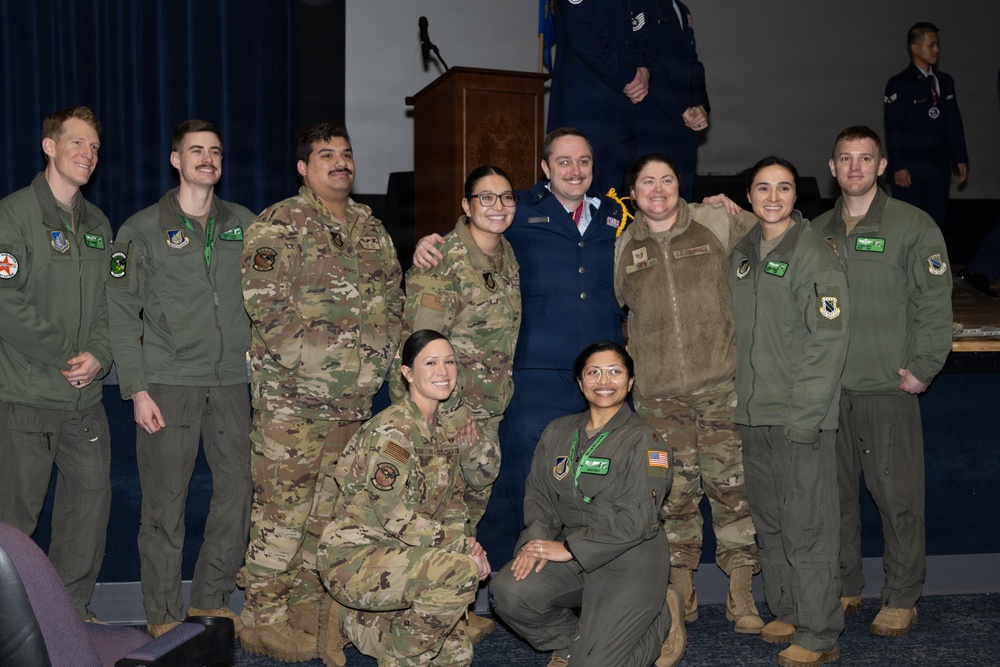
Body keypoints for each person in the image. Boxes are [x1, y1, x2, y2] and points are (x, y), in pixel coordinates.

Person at [413, 128, 625, 563]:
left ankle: (584, 564)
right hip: (536, 371)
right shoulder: (518, 208)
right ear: (545, 167)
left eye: (583, 161)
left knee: (599, 469)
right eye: (563, 161)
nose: (574, 170)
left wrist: (721, 204)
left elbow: (664, 210)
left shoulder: (614, 213)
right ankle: (517, 565)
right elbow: (475, 231)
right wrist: (428, 243)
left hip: (601, 373)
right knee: (526, 473)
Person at [238, 122, 403, 661]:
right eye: (326, 154)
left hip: (352, 406)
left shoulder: (371, 229)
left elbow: (392, 304)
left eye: (346, 153)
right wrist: (314, 367)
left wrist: (375, 366)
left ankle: (304, 606)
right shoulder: (280, 223)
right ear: (303, 167)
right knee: (281, 514)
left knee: (328, 514)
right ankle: (262, 616)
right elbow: (265, 304)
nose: (340, 162)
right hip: (292, 402)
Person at [106, 120, 254, 637]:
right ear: (176, 160)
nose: (207, 159)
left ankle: (212, 599)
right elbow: (120, 313)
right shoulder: (139, 230)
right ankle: (164, 614)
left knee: (237, 493)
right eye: (196, 150)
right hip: (168, 384)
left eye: (215, 151)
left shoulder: (245, 224)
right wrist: (137, 389)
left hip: (233, 383)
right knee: (164, 504)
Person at [814, 126, 952, 639]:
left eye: (865, 158)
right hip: (828, 393)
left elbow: (933, 302)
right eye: (845, 158)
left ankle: (901, 596)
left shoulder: (912, 225)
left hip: (886, 388)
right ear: (832, 167)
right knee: (833, 501)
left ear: (881, 166)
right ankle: (845, 584)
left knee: (898, 499)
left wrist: (925, 365)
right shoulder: (814, 231)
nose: (855, 167)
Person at [615, 154, 762, 633]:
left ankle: (742, 592)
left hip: (720, 386)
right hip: (658, 398)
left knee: (732, 490)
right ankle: (682, 590)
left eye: (667, 179)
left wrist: (740, 209)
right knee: (672, 495)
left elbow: (774, 232)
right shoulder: (624, 246)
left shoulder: (714, 222)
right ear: (633, 193)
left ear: (681, 185)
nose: (658, 189)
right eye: (647, 182)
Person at [491, 341, 686, 667]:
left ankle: (661, 619)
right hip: (573, 556)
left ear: (630, 381)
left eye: (615, 371)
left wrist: (569, 547)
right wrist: (535, 544)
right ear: (581, 383)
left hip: (629, 559)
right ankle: (571, 645)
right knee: (510, 592)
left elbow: (637, 520)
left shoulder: (646, 440)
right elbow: (540, 497)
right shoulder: (558, 431)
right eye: (593, 372)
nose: (604, 381)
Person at [390, 165, 520, 643]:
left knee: (464, 514)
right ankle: (422, 622)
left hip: (486, 412)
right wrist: (451, 414)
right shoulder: (442, 261)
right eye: (485, 197)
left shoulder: (506, 255)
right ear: (465, 205)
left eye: (506, 197)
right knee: (436, 514)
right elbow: (420, 347)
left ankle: (451, 612)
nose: (497, 206)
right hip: (450, 415)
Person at [732, 157, 850, 667]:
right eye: (763, 188)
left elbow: (829, 343)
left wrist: (805, 418)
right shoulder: (742, 253)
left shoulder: (814, 254)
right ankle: (788, 609)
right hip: (752, 415)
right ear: (749, 195)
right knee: (773, 524)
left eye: (783, 188)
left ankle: (820, 630)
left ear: (796, 196)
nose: (773, 197)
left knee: (808, 527)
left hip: (799, 418)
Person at [316, 330, 490, 667]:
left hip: (405, 555)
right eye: (431, 363)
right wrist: (461, 549)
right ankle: (395, 658)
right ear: (408, 373)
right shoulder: (394, 431)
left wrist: (466, 542)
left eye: (449, 362)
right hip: (356, 558)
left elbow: (454, 503)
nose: (443, 371)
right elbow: (393, 516)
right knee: (458, 574)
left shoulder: (444, 431)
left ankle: (354, 621)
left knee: (456, 655)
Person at [0, 106, 113, 620]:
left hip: (85, 400)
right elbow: (6, 303)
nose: (88, 154)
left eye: (94, 147)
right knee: (14, 521)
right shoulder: (14, 215)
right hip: (27, 398)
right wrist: (68, 354)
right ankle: (10, 625)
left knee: (88, 510)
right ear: (49, 146)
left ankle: (70, 614)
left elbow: (112, 303)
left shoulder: (99, 223)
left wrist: (101, 355)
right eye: (77, 143)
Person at [548, 0, 651, 193]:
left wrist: (643, 69)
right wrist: (628, 76)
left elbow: (636, 29)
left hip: (622, 114)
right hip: (585, 111)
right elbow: (583, 36)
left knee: (613, 203)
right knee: (578, 199)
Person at [884, 22, 968, 229]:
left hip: (939, 168)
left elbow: (953, 122)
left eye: (937, 44)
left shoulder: (945, 81)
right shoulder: (899, 83)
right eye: (931, 45)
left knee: (935, 224)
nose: (936, 50)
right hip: (910, 171)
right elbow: (893, 127)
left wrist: (960, 158)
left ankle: (934, 253)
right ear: (915, 47)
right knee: (907, 225)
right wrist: (899, 166)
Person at [635, 0, 710, 201]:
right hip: (652, 121)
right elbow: (647, 62)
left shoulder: (681, 9)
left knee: (684, 198)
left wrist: (701, 106)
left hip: (686, 125)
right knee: (651, 197)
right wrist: (681, 108)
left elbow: (692, 62)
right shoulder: (640, 4)